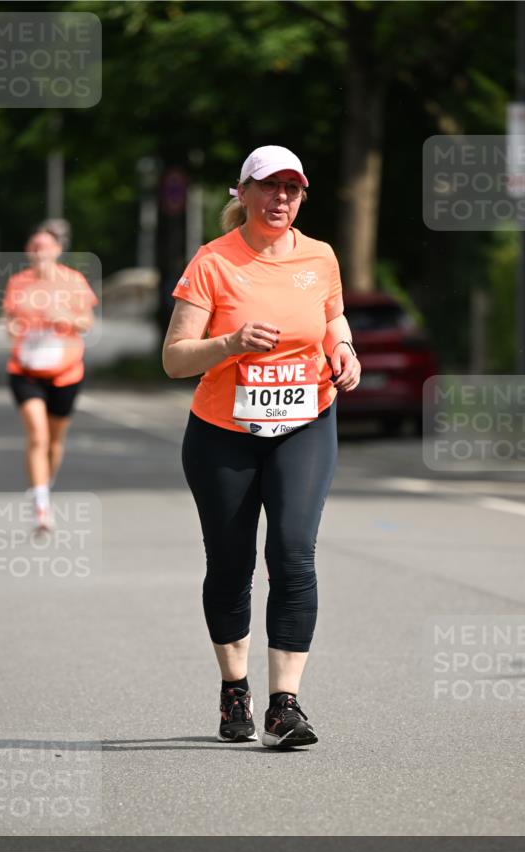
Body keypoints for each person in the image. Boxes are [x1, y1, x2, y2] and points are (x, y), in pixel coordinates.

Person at [163, 145, 360, 749]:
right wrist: (231, 343)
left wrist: (344, 350)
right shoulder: (213, 261)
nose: (281, 198)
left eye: (291, 188)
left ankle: (284, 706)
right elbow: (175, 359)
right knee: (231, 566)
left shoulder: (320, 256)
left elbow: (332, 318)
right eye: (269, 186)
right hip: (223, 433)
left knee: (294, 554)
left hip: (306, 422)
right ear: (243, 193)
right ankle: (234, 691)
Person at [3, 228, 98, 531]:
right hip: (25, 371)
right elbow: (9, 322)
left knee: (55, 444)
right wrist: (14, 328)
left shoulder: (73, 281)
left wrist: (66, 317)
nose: (39, 251)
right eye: (34, 246)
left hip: (65, 372)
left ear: (57, 250)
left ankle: (44, 482)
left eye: (44, 246)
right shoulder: (18, 282)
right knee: (38, 436)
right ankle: (41, 507)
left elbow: (86, 323)